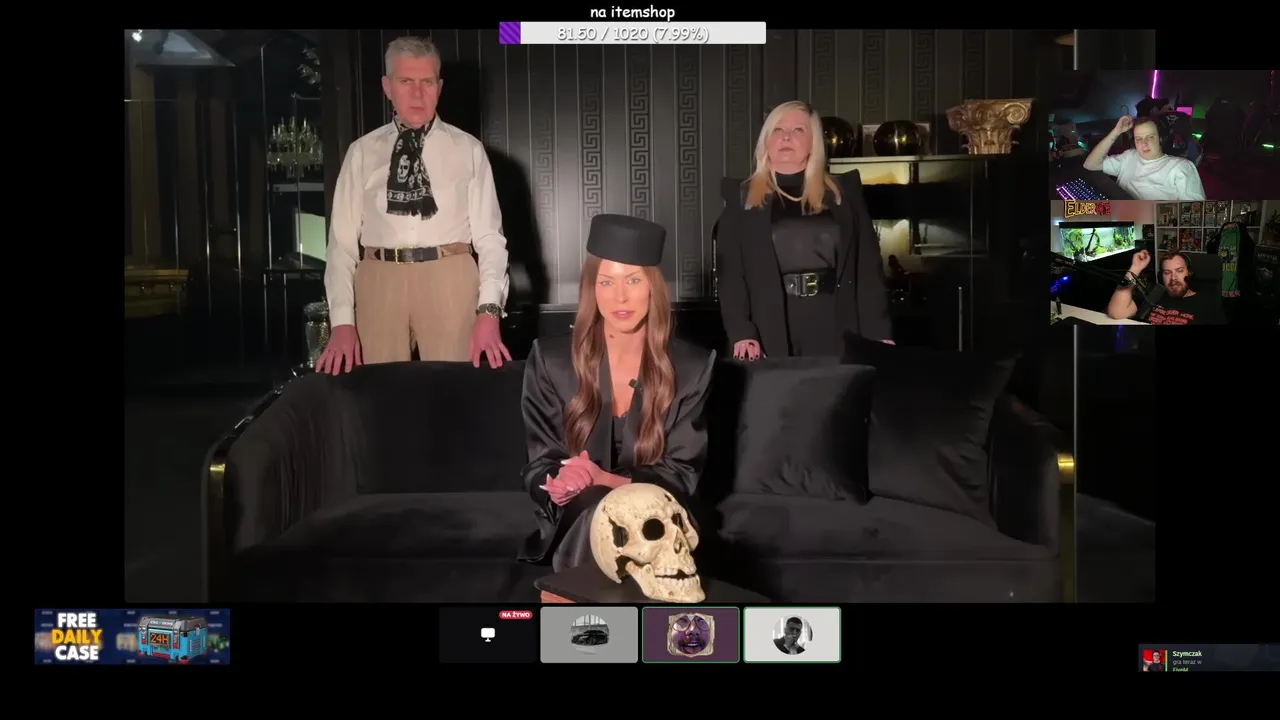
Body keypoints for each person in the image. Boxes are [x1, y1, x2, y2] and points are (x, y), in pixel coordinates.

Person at [516, 214, 717, 570]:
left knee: (604, 503)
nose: (620, 297)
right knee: (592, 506)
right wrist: (561, 482)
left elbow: (682, 476)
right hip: (575, 518)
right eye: (607, 282)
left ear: (653, 286)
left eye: (633, 280)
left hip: (658, 516)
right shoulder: (551, 359)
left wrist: (604, 480)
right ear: (591, 289)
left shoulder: (692, 366)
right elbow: (539, 463)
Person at [316, 36, 511, 375]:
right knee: (379, 396)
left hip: (451, 276)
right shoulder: (362, 152)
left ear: (440, 87)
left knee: (455, 393)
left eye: (427, 82)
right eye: (406, 81)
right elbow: (341, 245)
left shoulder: (468, 150)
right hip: (379, 279)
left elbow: (490, 239)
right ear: (387, 87)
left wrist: (489, 311)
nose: (417, 94)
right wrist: (342, 321)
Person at [715, 100, 893, 361]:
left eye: (798, 130)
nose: (786, 137)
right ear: (766, 141)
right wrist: (741, 331)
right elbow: (730, 277)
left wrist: (878, 331)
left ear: (814, 143)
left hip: (837, 324)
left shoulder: (844, 194)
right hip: (769, 329)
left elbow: (867, 269)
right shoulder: (741, 198)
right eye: (777, 130)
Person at [1082, 115, 1205, 201]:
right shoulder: (1129, 156)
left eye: (1150, 137)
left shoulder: (1182, 167)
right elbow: (1090, 164)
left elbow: (1195, 215)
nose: (1143, 144)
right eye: (1138, 139)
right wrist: (1116, 131)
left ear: (1161, 139)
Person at [1107, 249, 1227, 325]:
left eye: (1179, 271)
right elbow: (1116, 312)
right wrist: (1135, 268)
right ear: (1161, 276)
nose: (1173, 278)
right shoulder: (1154, 294)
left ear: (1189, 273)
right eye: (1167, 272)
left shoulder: (1208, 303)